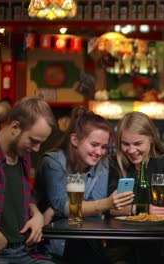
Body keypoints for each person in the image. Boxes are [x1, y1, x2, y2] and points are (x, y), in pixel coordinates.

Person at [35, 107, 132, 263]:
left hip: (86, 241)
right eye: (94, 144)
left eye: (103, 147)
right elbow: (65, 206)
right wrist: (106, 203)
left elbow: (91, 213)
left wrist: (54, 209)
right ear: (75, 140)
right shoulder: (53, 162)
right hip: (52, 245)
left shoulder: (103, 164)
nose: (99, 152)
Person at [107, 111, 164, 263]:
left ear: (152, 139)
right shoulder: (114, 164)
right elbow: (109, 206)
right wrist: (146, 210)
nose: (131, 150)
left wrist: (141, 212)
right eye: (125, 144)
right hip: (122, 244)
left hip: (161, 243)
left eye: (138, 144)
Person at [0, 96, 56, 263]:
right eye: (33, 141)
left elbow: (21, 197)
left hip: (25, 251)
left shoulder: (23, 156)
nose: (36, 149)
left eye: (41, 143)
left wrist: (36, 213)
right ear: (15, 127)